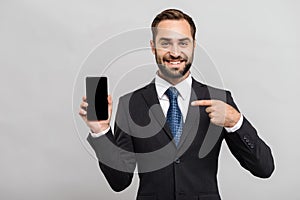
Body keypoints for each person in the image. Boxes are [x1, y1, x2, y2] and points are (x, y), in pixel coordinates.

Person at [79, 9, 274, 200]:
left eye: (183, 43)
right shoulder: (130, 104)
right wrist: (101, 131)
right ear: (153, 46)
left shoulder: (219, 99)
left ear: (193, 46)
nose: (174, 52)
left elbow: (264, 168)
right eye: (165, 43)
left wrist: (236, 122)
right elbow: (119, 182)